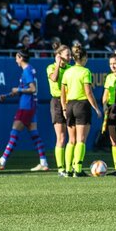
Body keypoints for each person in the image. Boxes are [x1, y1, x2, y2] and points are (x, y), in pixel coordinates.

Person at [0, 49, 49, 172]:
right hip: (31, 105)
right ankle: (44, 162)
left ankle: (2, 161)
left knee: (14, 133)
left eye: (16, 57)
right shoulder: (30, 69)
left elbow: (32, 89)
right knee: (35, 135)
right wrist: (9, 94)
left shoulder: (27, 71)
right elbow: (25, 89)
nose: (15, 60)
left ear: (20, 57)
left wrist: (18, 90)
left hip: (26, 106)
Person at [60, 44, 103, 177]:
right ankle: (77, 169)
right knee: (81, 140)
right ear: (85, 57)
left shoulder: (67, 71)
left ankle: (67, 170)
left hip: (70, 105)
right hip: (82, 106)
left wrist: (63, 107)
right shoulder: (85, 72)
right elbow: (88, 92)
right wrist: (96, 108)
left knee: (71, 140)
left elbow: (63, 93)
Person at [47, 43, 71, 176]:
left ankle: (70, 167)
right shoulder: (50, 67)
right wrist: (57, 64)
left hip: (70, 102)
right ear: (59, 56)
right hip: (57, 102)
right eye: (67, 54)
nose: (70, 57)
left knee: (72, 138)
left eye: (70, 54)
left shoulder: (70, 68)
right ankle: (61, 168)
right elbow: (54, 78)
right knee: (61, 137)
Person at [102, 53, 116, 174]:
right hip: (111, 110)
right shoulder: (109, 77)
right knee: (114, 139)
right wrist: (105, 106)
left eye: (115, 63)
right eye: (110, 64)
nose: (113, 66)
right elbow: (105, 95)